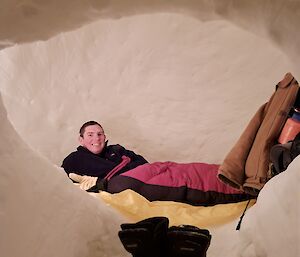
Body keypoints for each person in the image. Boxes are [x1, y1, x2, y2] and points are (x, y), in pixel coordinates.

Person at [62, 120, 148, 188]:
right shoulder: (74, 159)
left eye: (100, 134)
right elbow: (63, 185)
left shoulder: (117, 150)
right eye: (90, 135)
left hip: (142, 184)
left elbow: (145, 166)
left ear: (104, 137)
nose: (97, 138)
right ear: (81, 140)